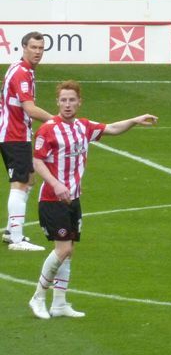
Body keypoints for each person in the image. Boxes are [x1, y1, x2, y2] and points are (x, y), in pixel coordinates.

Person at [28, 80, 156, 319]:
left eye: (71, 100)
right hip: (52, 199)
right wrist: (55, 184)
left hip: (74, 199)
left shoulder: (83, 126)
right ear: (57, 102)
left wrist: (135, 120)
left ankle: (59, 302)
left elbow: (112, 128)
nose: (67, 104)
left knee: (69, 251)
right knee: (62, 249)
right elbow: (37, 161)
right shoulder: (47, 129)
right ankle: (38, 296)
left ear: (79, 102)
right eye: (63, 100)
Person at [1, 32, 51, 251]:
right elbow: (29, 109)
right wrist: (58, 120)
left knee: (29, 178)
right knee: (20, 183)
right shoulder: (22, 73)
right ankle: (16, 238)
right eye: (33, 47)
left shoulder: (21, 69)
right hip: (14, 134)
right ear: (23, 47)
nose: (38, 52)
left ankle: (12, 230)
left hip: (15, 132)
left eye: (41, 48)